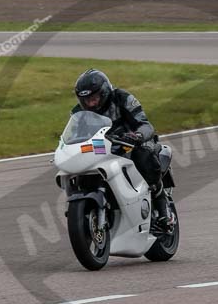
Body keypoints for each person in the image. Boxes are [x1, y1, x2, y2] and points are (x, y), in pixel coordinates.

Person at [72, 69, 174, 230]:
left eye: (94, 98)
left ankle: (163, 208)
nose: (90, 103)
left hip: (132, 144)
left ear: (104, 92)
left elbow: (146, 125)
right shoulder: (78, 112)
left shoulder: (122, 98)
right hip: (103, 148)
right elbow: (76, 136)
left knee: (143, 154)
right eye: (86, 100)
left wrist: (138, 135)